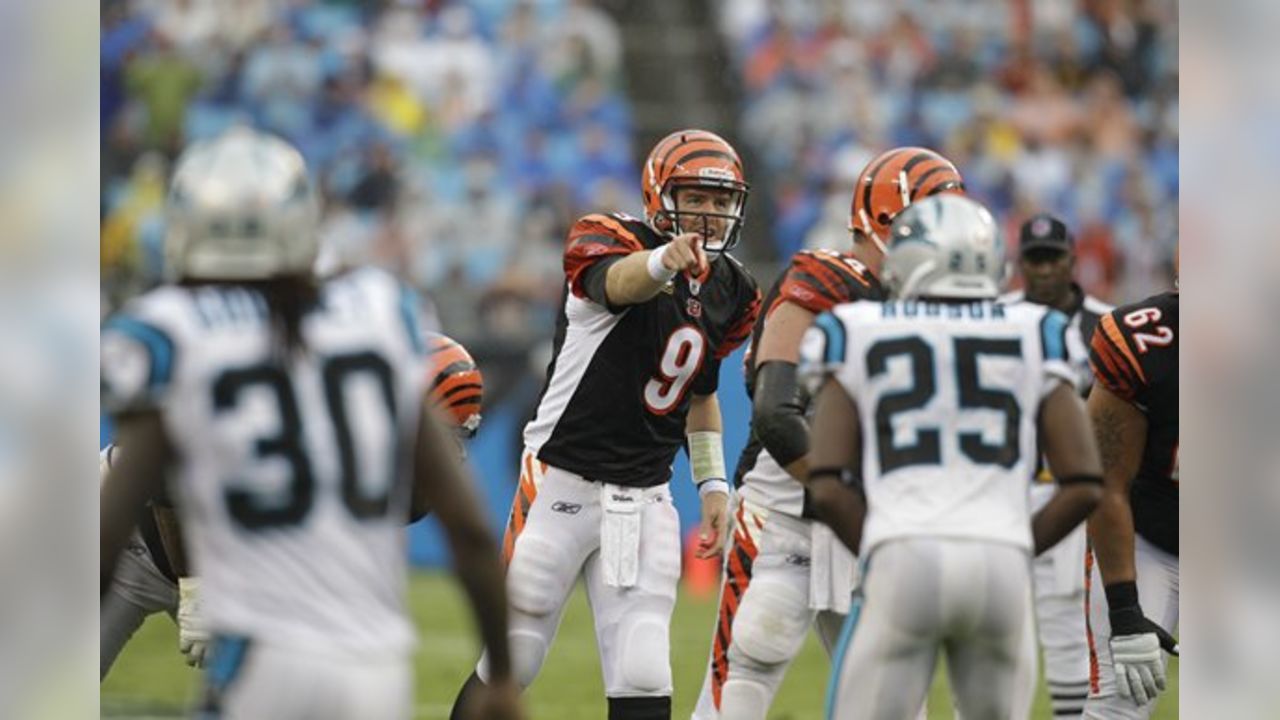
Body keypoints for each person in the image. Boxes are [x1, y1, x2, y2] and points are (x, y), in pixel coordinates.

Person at [99, 127, 522, 720]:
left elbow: (106, 523)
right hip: (364, 656)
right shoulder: (377, 311)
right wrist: (502, 676)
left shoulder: (170, 331)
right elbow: (472, 533)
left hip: (259, 640)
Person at [449, 128, 761, 720]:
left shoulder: (733, 289)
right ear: (660, 194)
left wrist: (714, 484)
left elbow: (701, 394)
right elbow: (620, 284)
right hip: (561, 481)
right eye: (696, 197)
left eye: (722, 202)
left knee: (643, 669)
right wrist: (662, 261)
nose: (711, 214)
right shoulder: (607, 238)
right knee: (514, 654)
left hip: (645, 494)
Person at [801, 194, 1104, 720]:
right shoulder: (1038, 331)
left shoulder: (854, 329)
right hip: (1001, 564)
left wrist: (881, 546)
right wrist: (1013, 546)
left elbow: (825, 483)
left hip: (903, 551)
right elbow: (1083, 482)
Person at [691, 146, 965, 720]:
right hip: (788, 514)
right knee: (745, 672)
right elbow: (776, 415)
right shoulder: (827, 279)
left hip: (866, 522)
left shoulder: (939, 307)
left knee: (893, 704)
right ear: (892, 217)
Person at [99, 333, 487, 679]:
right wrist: (197, 588)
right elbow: (169, 474)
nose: (446, 451)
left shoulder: (398, 482)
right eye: (439, 432)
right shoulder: (294, 415)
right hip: (125, 534)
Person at [1000, 212, 1113, 719]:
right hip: (1005, 486)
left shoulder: (1106, 324)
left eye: (1052, 258)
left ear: (1071, 259)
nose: (1044, 270)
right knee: (995, 615)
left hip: (1072, 487)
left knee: (1069, 616)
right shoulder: (993, 316)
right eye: (1035, 259)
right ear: (1021, 263)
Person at [1082, 289, 1179, 718]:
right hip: (1151, 540)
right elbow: (1104, 481)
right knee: (1121, 704)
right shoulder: (1146, 346)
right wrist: (1124, 609)